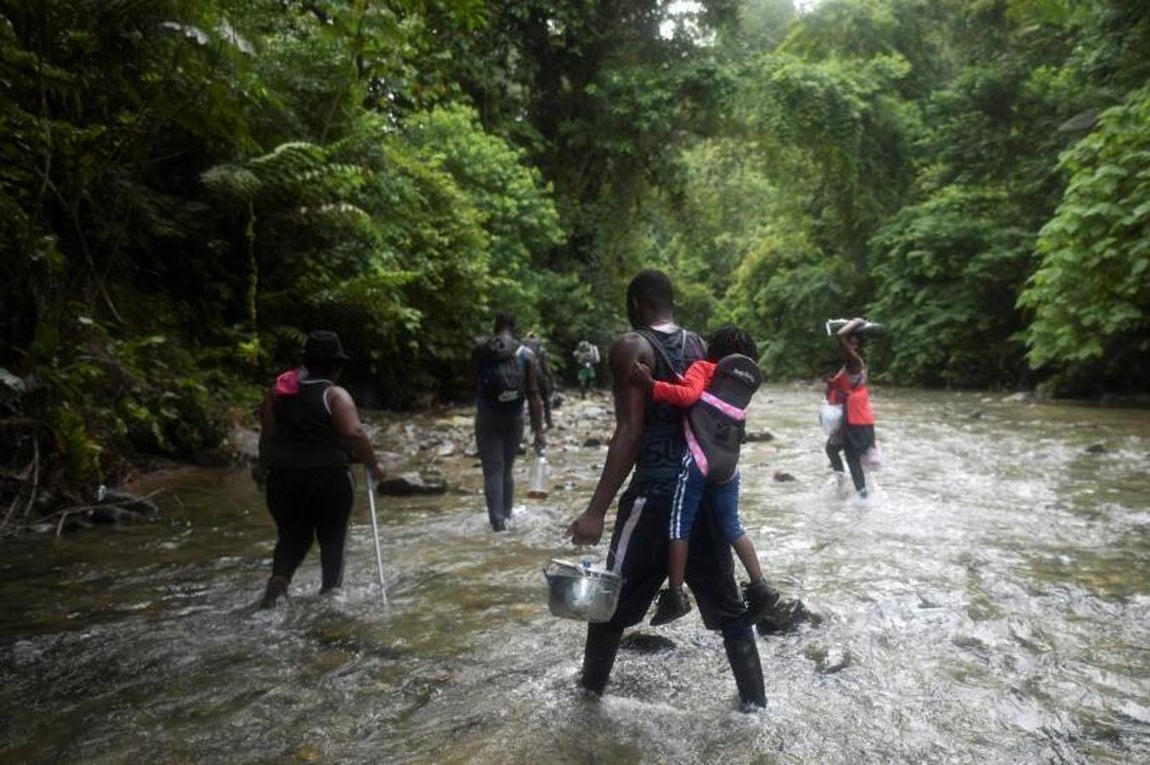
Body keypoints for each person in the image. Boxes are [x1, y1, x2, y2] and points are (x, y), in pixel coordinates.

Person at [565, 270, 767, 711]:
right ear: (671, 304)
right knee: (730, 609)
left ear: (637, 304)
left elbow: (629, 432)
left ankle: (586, 704)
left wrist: (596, 511)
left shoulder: (631, 347)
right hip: (702, 491)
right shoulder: (703, 347)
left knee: (609, 605)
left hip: (654, 494)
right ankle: (756, 708)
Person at [629, 325, 779, 627]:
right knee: (732, 526)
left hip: (698, 460)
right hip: (729, 466)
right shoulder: (742, 385)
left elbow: (687, 396)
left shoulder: (703, 367)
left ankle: (675, 595)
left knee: (678, 527)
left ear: (713, 351)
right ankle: (761, 586)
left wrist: (650, 385)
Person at [255, 330, 385, 608]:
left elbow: (267, 436)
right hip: (331, 479)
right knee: (332, 537)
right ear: (336, 366)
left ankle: (278, 582)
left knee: (291, 535)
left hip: (284, 479)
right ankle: (331, 596)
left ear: (306, 362)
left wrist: (262, 467)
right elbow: (355, 433)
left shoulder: (277, 395)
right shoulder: (334, 395)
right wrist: (374, 465)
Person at [469, 311, 546, 531]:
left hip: (487, 415)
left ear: (496, 326)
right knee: (507, 469)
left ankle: (497, 524)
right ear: (514, 326)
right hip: (514, 417)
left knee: (493, 469)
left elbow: (470, 384)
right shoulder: (527, 354)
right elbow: (533, 394)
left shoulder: (482, 350)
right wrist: (538, 430)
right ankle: (508, 516)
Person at [825, 317, 878, 498]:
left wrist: (856, 321)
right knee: (831, 449)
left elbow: (840, 335)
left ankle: (863, 497)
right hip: (851, 418)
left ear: (857, 346)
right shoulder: (851, 365)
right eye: (850, 343)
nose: (849, 346)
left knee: (853, 458)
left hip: (858, 421)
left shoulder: (854, 361)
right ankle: (842, 484)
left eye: (853, 343)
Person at [523, 331, 555, 430]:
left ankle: (534, 425)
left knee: (531, 400)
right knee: (545, 399)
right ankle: (549, 422)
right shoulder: (541, 349)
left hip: (528, 376)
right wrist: (551, 379)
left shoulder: (523, 349)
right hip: (539, 374)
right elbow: (545, 367)